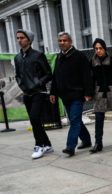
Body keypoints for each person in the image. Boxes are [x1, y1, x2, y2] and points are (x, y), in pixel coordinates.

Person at [49, 32, 93, 157]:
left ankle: (70, 146)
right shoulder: (59, 57)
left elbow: (87, 75)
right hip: (65, 96)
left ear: (70, 42)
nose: (62, 43)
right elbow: (55, 76)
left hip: (77, 95)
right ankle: (86, 140)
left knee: (74, 120)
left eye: (64, 40)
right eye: (60, 41)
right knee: (76, 119)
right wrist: (53, 92)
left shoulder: (79, 56)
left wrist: (88, 93)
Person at [14, 29, 54, 159]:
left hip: (39, 92)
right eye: (18, 38)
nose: (19, 40)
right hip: (27, 93)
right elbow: (18, 75)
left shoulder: (38, 55)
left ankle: (39, 145)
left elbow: (48, 74)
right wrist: (22, 85)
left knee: (35, 118)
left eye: (22, 38)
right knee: (34, 120)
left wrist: (36, 83)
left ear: (29, 40)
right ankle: (47, 144)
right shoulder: (17, 57)